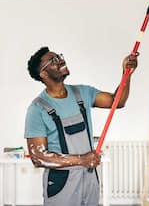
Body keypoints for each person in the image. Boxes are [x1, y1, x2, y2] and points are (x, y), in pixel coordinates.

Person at [24, 47, 138, 206]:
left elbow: (117, 101)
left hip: (89, 177)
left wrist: (127, 74)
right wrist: (82, 159)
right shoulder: (38, 109)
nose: (61, 60)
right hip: (61, 184)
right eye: (54, 60)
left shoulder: (82, 93)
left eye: (59, 56)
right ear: (43, 74)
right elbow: (38, 157)